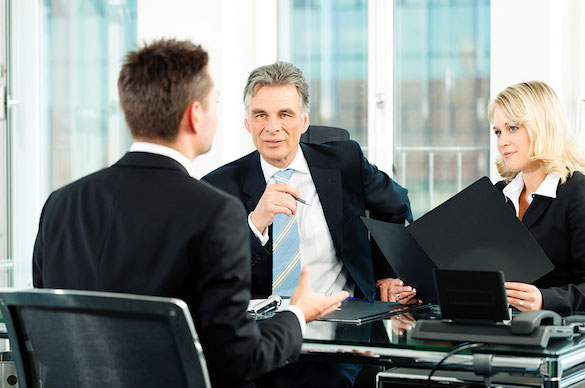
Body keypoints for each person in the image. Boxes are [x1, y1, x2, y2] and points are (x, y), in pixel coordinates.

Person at [32, 39, 348, 388]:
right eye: (214, 103)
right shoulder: (214, 212)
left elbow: (47, 335)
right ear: (195, 116)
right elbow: (238, 361)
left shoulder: (59, 205)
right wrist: (297, 314)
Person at [202, 61, 414, 306]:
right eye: (261, 115)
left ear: (304, 121)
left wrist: (385, 274)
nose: (272, 127)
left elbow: (396, 207)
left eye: (285, 114)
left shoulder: (345, 162)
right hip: (263, 326)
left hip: (341, 317)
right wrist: (255, 224)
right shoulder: (217, 187)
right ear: (248, 123)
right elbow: (212, 274)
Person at [489, 80, 585, 316]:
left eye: (512, 128)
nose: (502, 142)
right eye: (498, 132)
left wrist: (545, 299)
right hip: (499, 331)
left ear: (542, 127)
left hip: (560, 341)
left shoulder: (577, 193)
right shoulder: (498, 195)